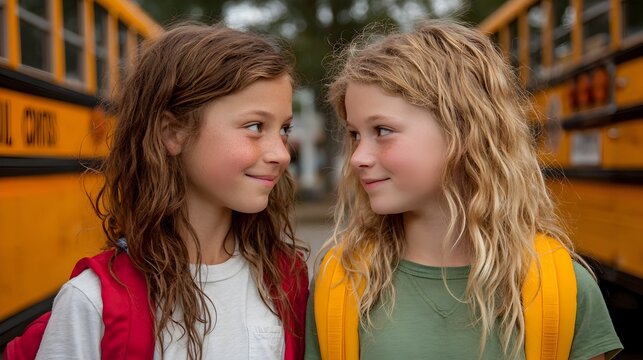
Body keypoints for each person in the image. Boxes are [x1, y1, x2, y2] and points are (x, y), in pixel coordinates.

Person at [305, 20, 621, 359]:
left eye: (382, 130)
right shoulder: (341, 282)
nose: (358, 157)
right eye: (354, 134)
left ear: (464, 131)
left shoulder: (561, 289)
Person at [34, 23, 308, 359]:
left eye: (284, 129)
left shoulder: (285, 280)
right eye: (255, 127)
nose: (282, 153)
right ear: (173, 132)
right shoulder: (94, 302)